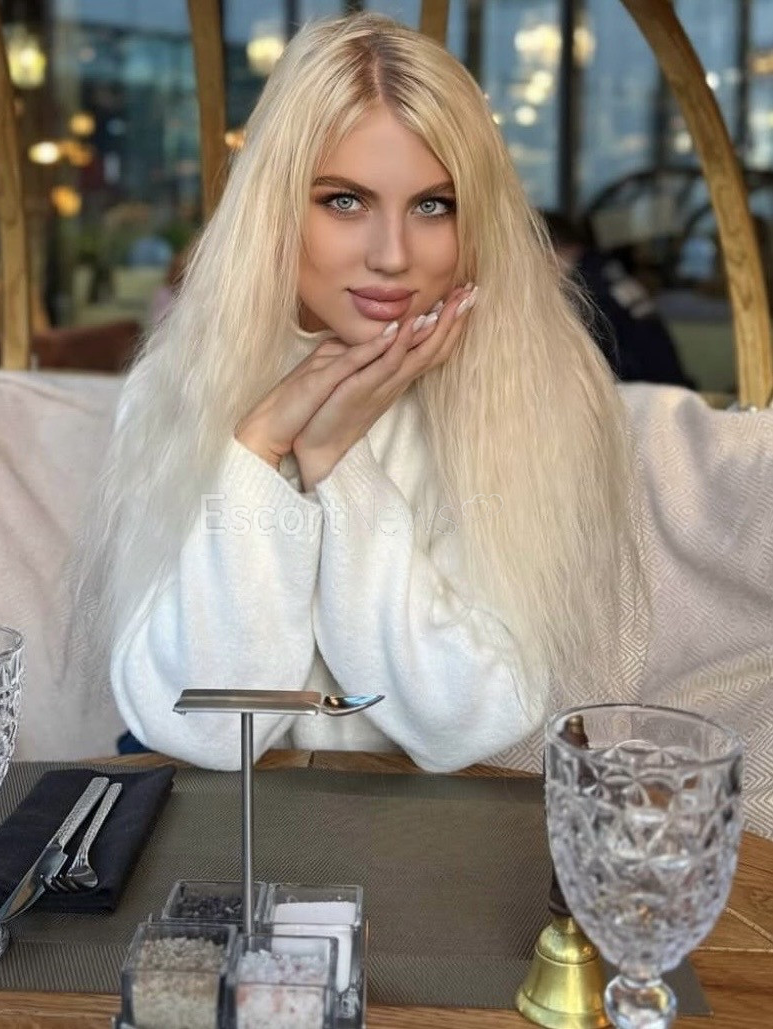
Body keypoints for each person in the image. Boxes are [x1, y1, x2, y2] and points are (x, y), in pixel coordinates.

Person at [86, 14, 772, 822]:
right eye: (343, 200)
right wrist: (259, 446)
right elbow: (197, 726)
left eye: (433, 205)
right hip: (214, 838)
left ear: (474, 217)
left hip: (436, 838)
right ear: (275, 207)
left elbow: (468, 717)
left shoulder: (535, 392)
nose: (391, 254)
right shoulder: (180, 382)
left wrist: (338, 460)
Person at [540, 210, 696, 388]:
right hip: (665, 384)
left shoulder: (584, 287)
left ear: (547, 251)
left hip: (638, 389)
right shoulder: (603, 269)